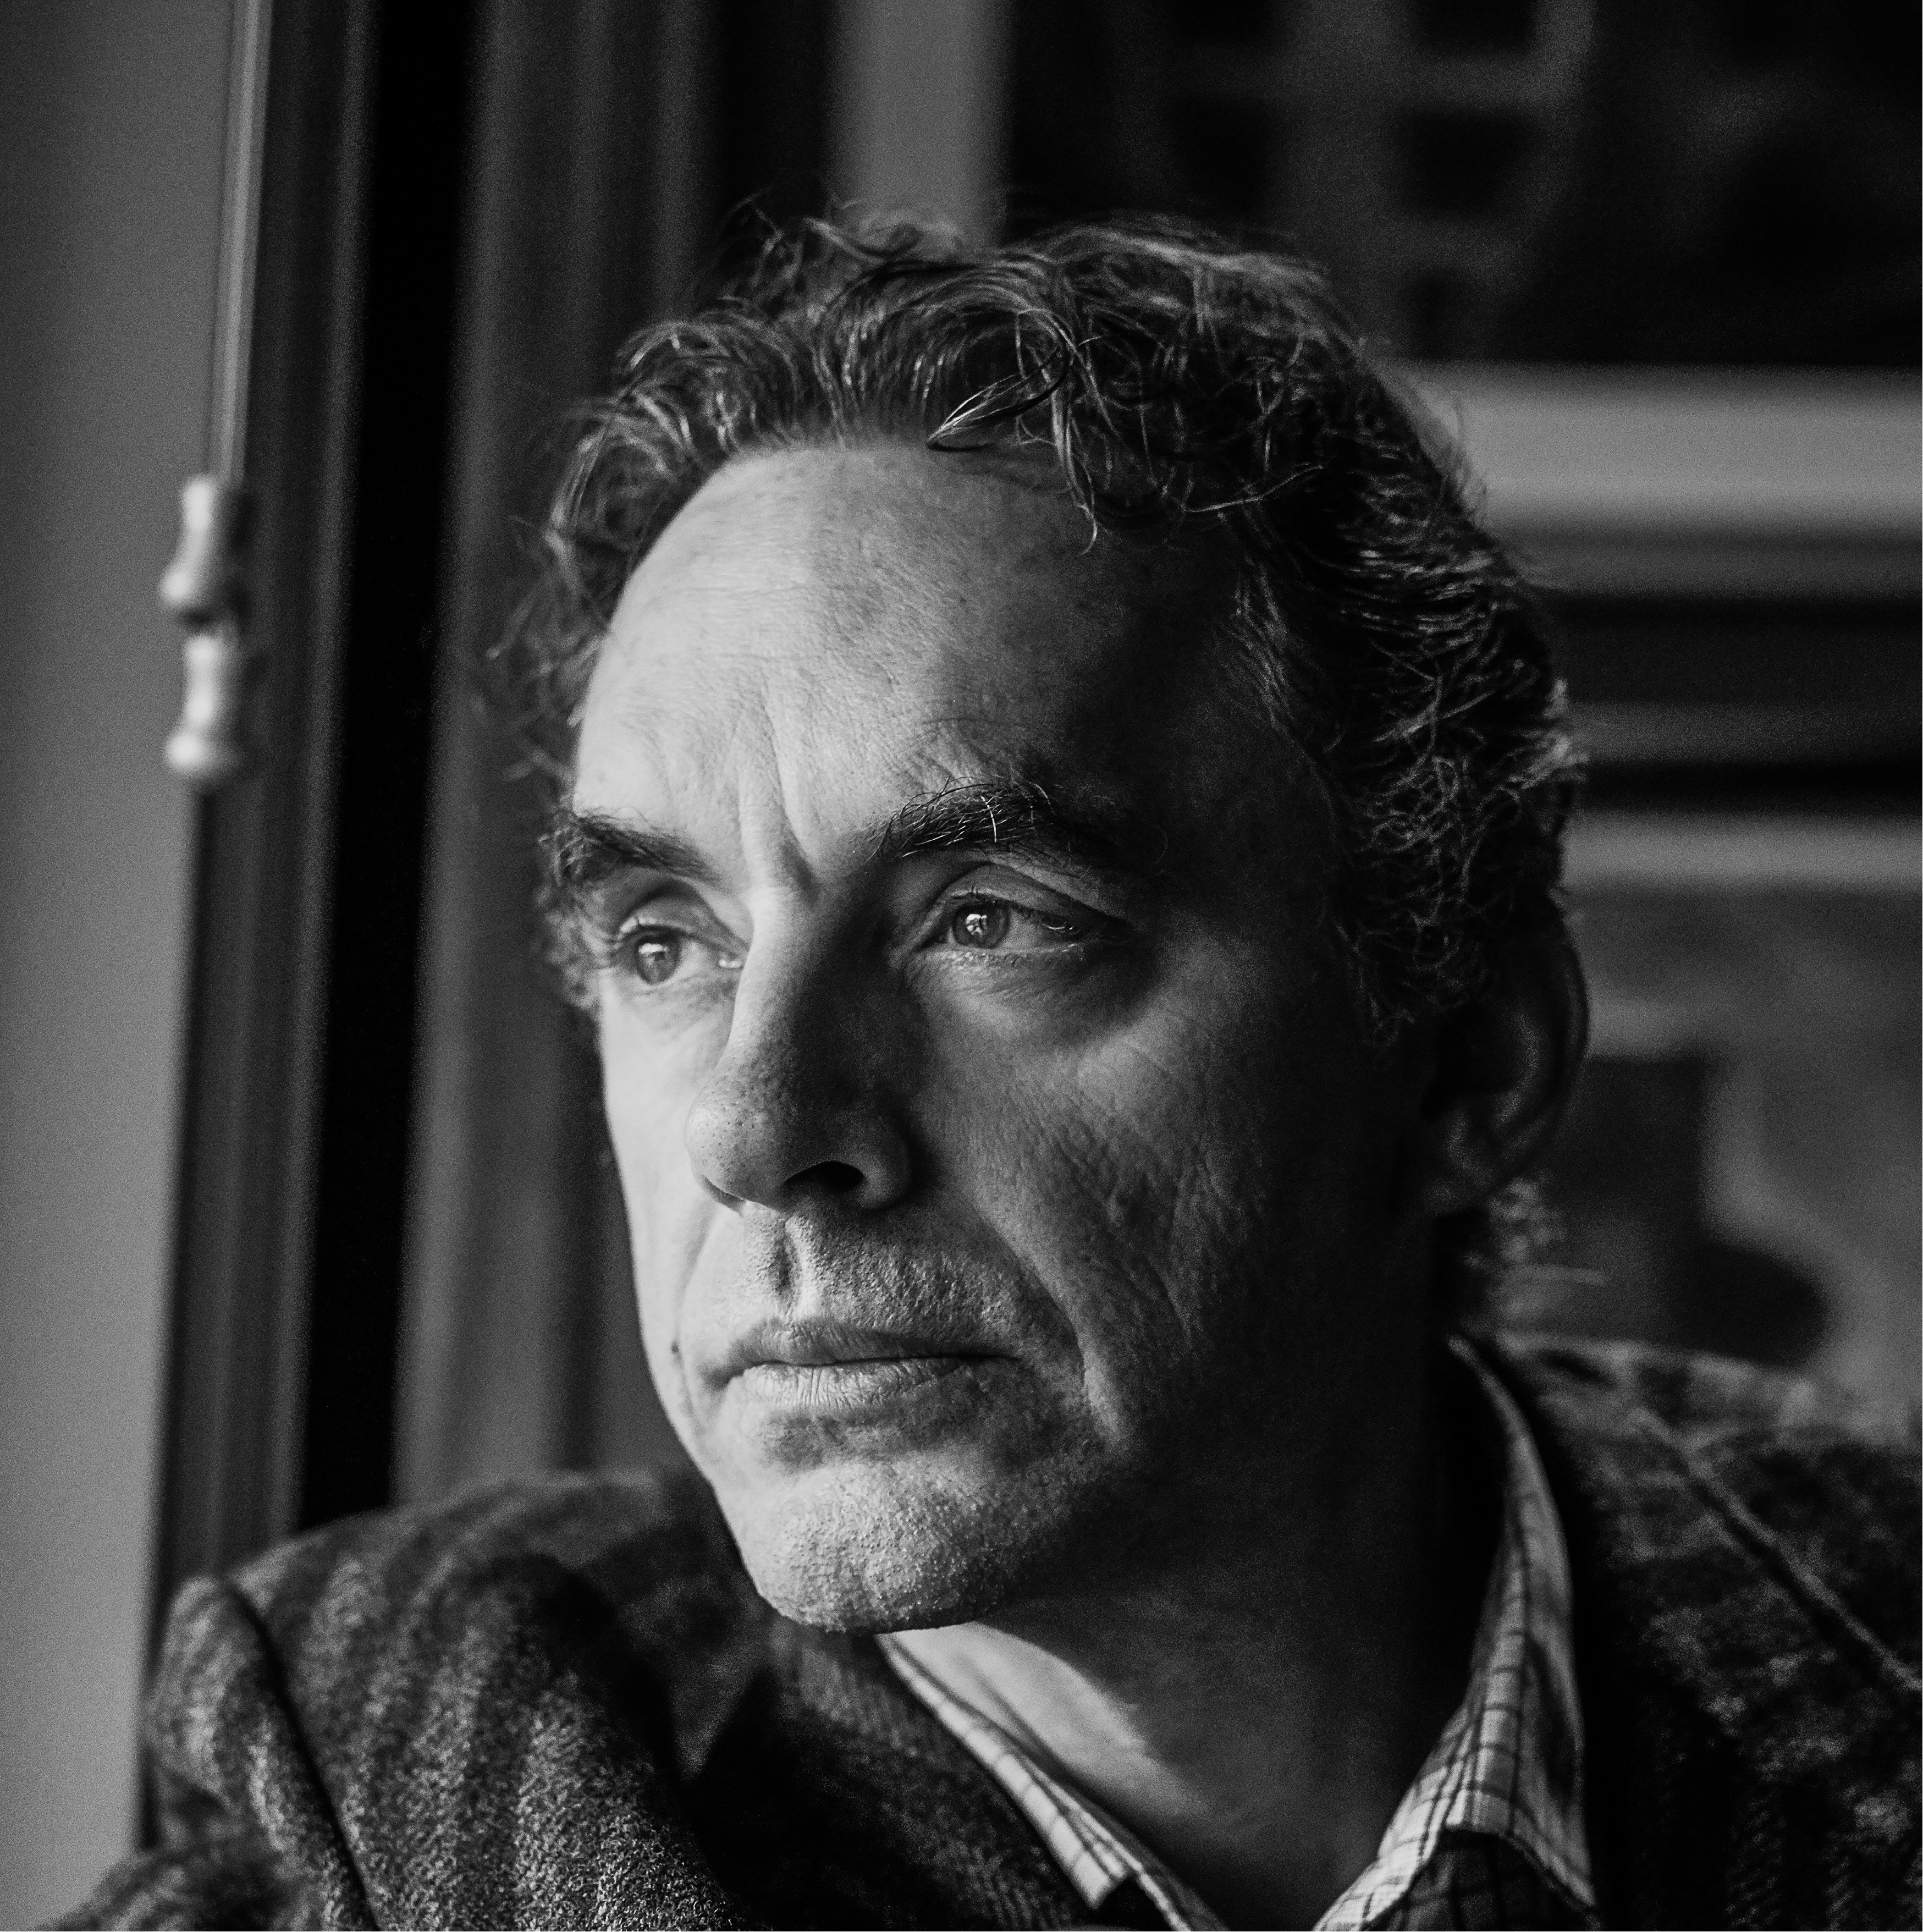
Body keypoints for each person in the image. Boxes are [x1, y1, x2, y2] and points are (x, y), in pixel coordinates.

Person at [67, 218, 1917, 1931]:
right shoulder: (416, 1802)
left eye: (990, 918)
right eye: (666, 939)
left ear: (1466, 1068)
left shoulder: (1869, 1627)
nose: (756, 1131)